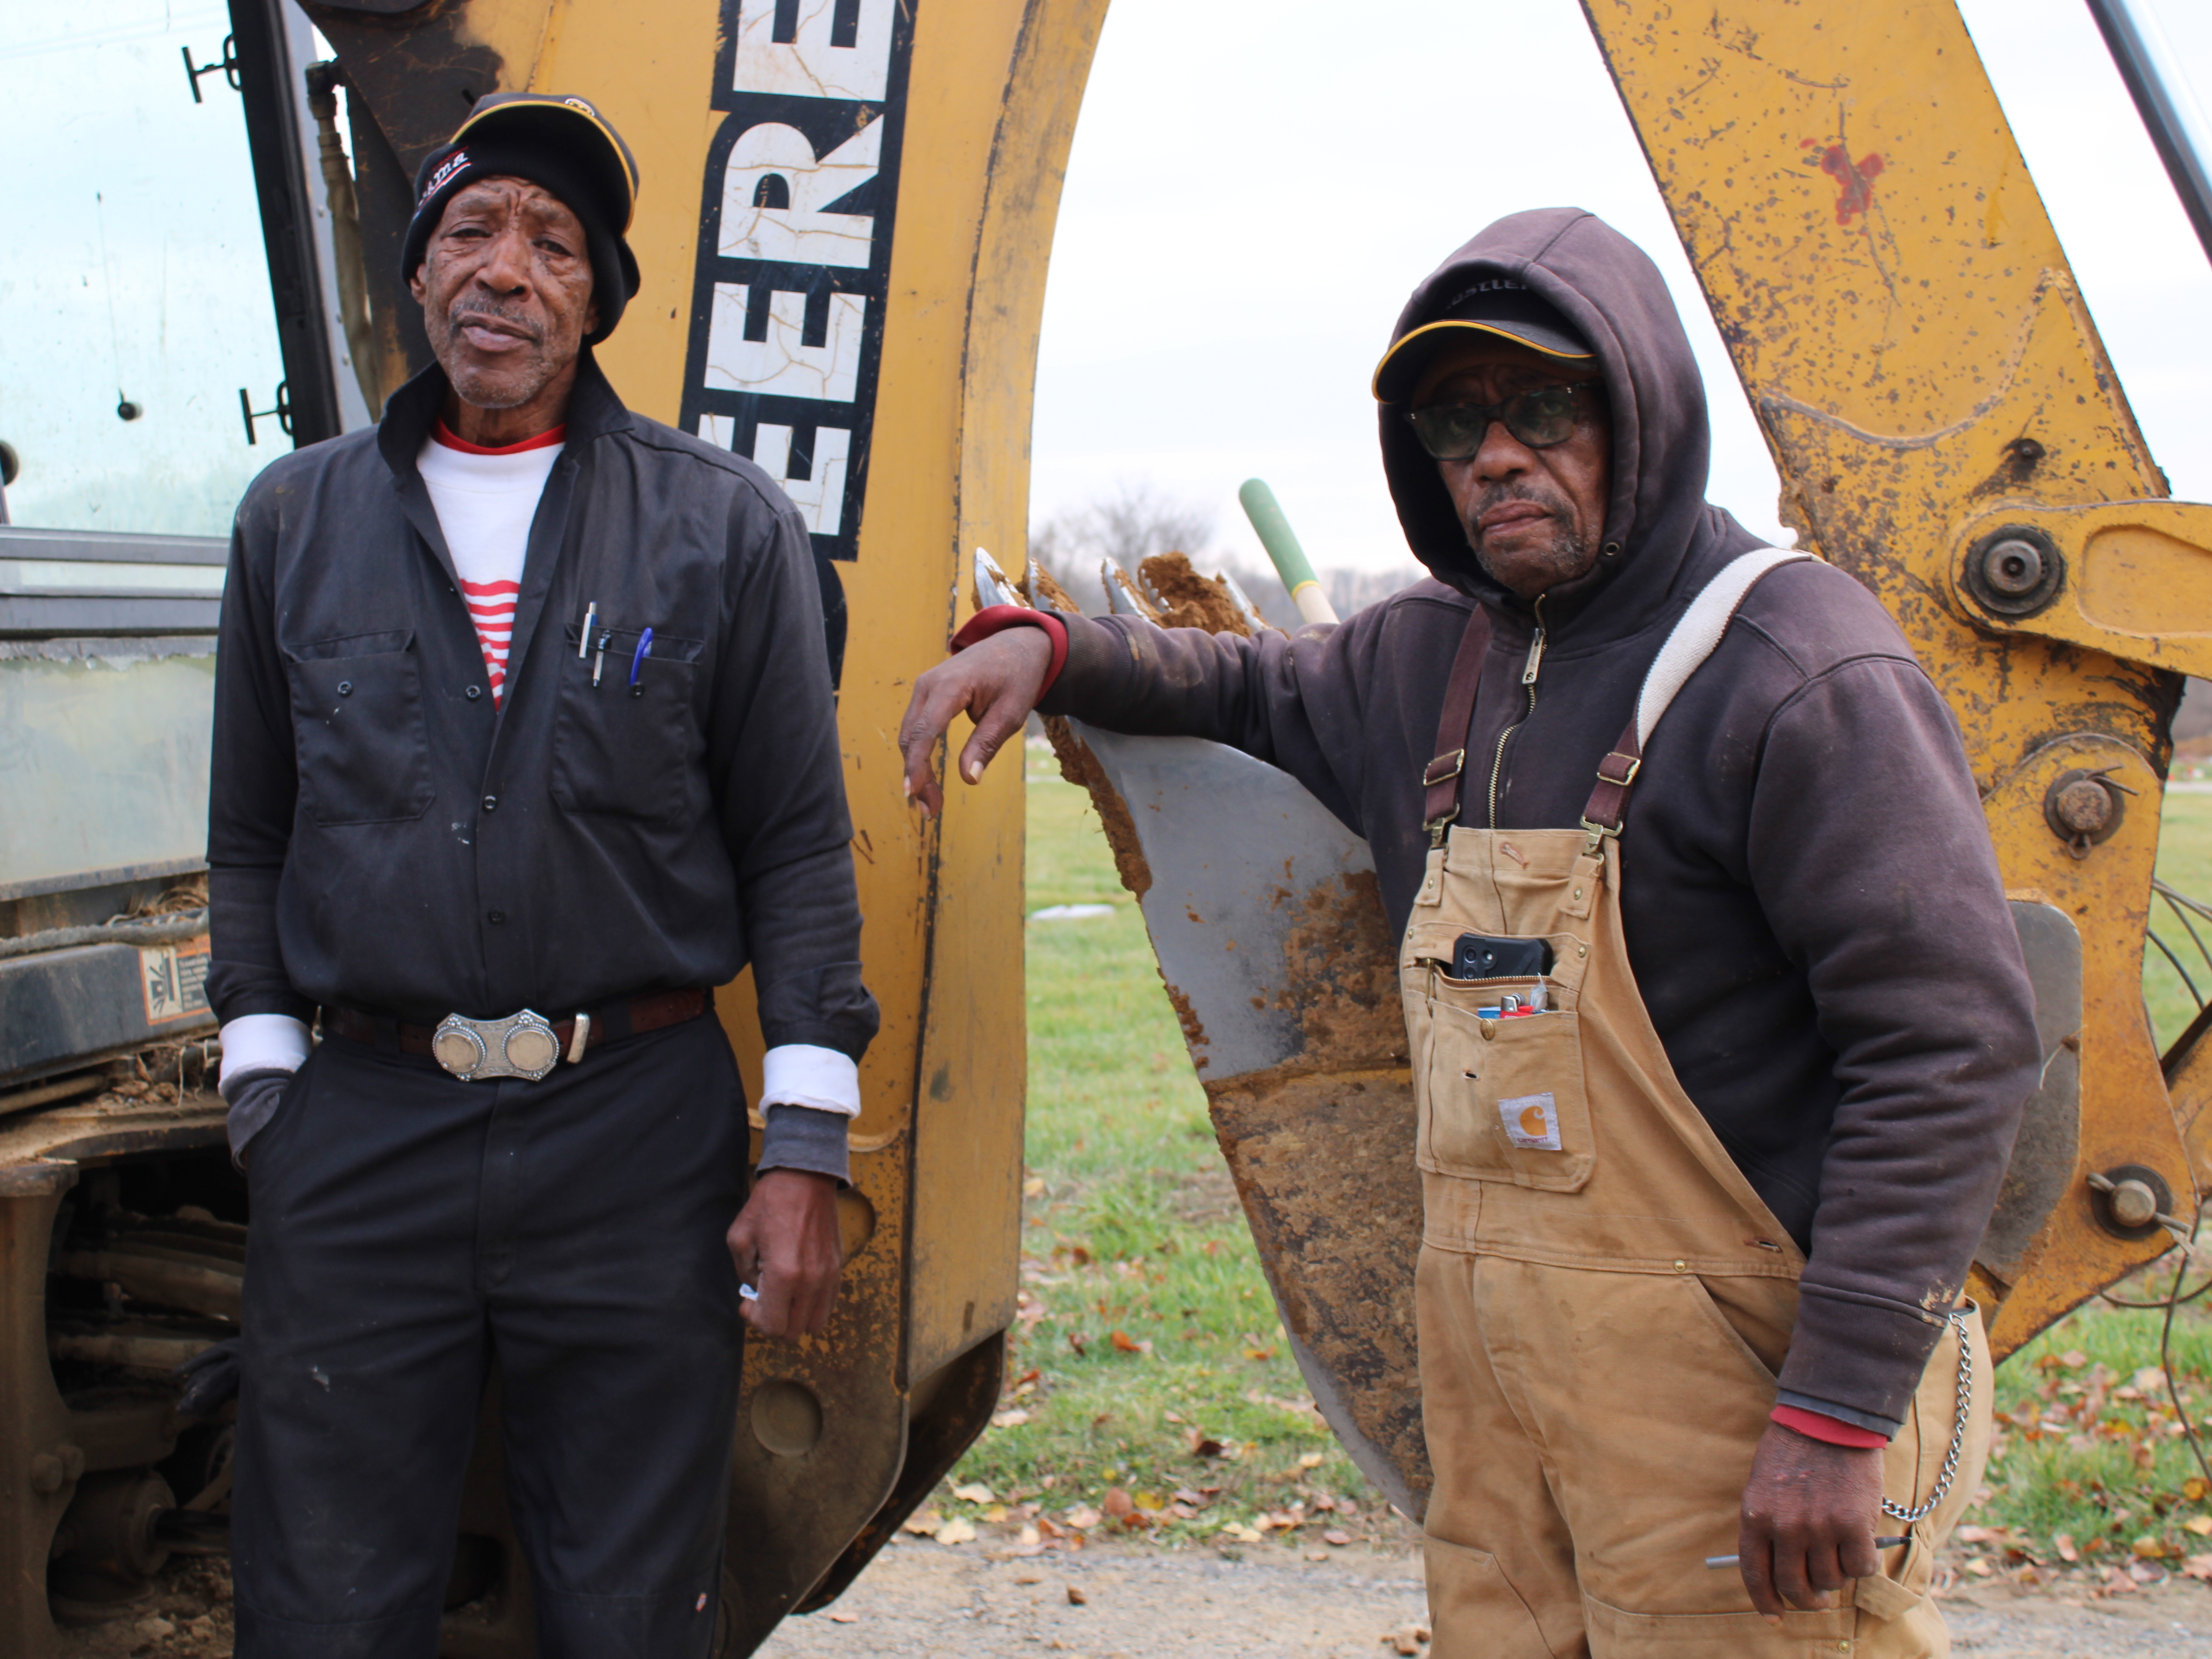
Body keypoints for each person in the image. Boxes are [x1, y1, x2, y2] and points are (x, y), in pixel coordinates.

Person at [897, 208, 2040, 1656]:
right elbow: (1249, 689)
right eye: (1456, 420)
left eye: (1547, 406)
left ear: (1643, 409)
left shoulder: (1797, 669)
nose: (1497, 452)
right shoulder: (1432, 656)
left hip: (1744, 1405)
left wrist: (1836, 1411)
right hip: (1497, 1409)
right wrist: (1054, 648)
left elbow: (1952, 1052)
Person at [206, 93, 877, 1657]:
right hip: (361, 1128)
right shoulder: (291, 523)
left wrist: (806, 1146)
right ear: (420, 279)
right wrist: (265, 1085)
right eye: (471, 231)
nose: (506, 269)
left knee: (633, 1608)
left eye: (552, 242)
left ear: (599, 298)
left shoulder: (724, 529)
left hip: (635, 1138)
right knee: (320, 1606)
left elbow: (793, 842)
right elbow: (250, 830)